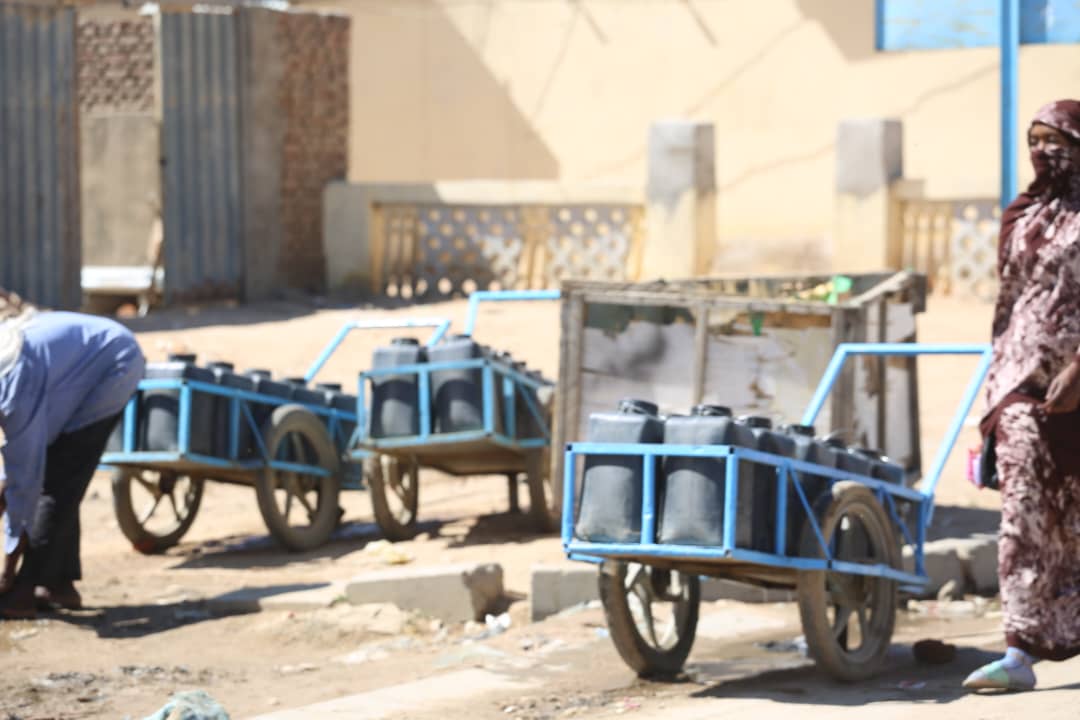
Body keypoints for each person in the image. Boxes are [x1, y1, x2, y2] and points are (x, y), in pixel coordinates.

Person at [964, 100, 1080, 691]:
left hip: (1076, 383)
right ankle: (1018, 651)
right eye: (1034, 139)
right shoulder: (1024, 213)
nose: (1043, 151)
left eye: (1056, 139)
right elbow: (1010, 303)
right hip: (1018, 386)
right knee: (1023, 514)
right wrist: (1001, 382)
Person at [0, 290, 145, 618]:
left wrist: (7, 571)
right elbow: (11, 468)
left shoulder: (13, 395)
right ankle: (60, 585)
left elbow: (25, 483)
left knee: (58, 482)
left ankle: (24, 590)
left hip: (113, 363)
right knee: (44, 474)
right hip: (63, 370)